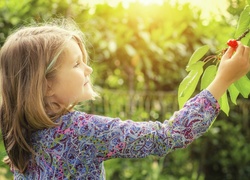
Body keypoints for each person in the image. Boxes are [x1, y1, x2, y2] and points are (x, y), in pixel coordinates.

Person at [0, 19, 249, 180]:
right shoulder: (80, 132)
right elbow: (167, 136)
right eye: (76, 64)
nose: (88, 70)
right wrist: (222, 80)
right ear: (45, 85)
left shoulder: (23, 135)